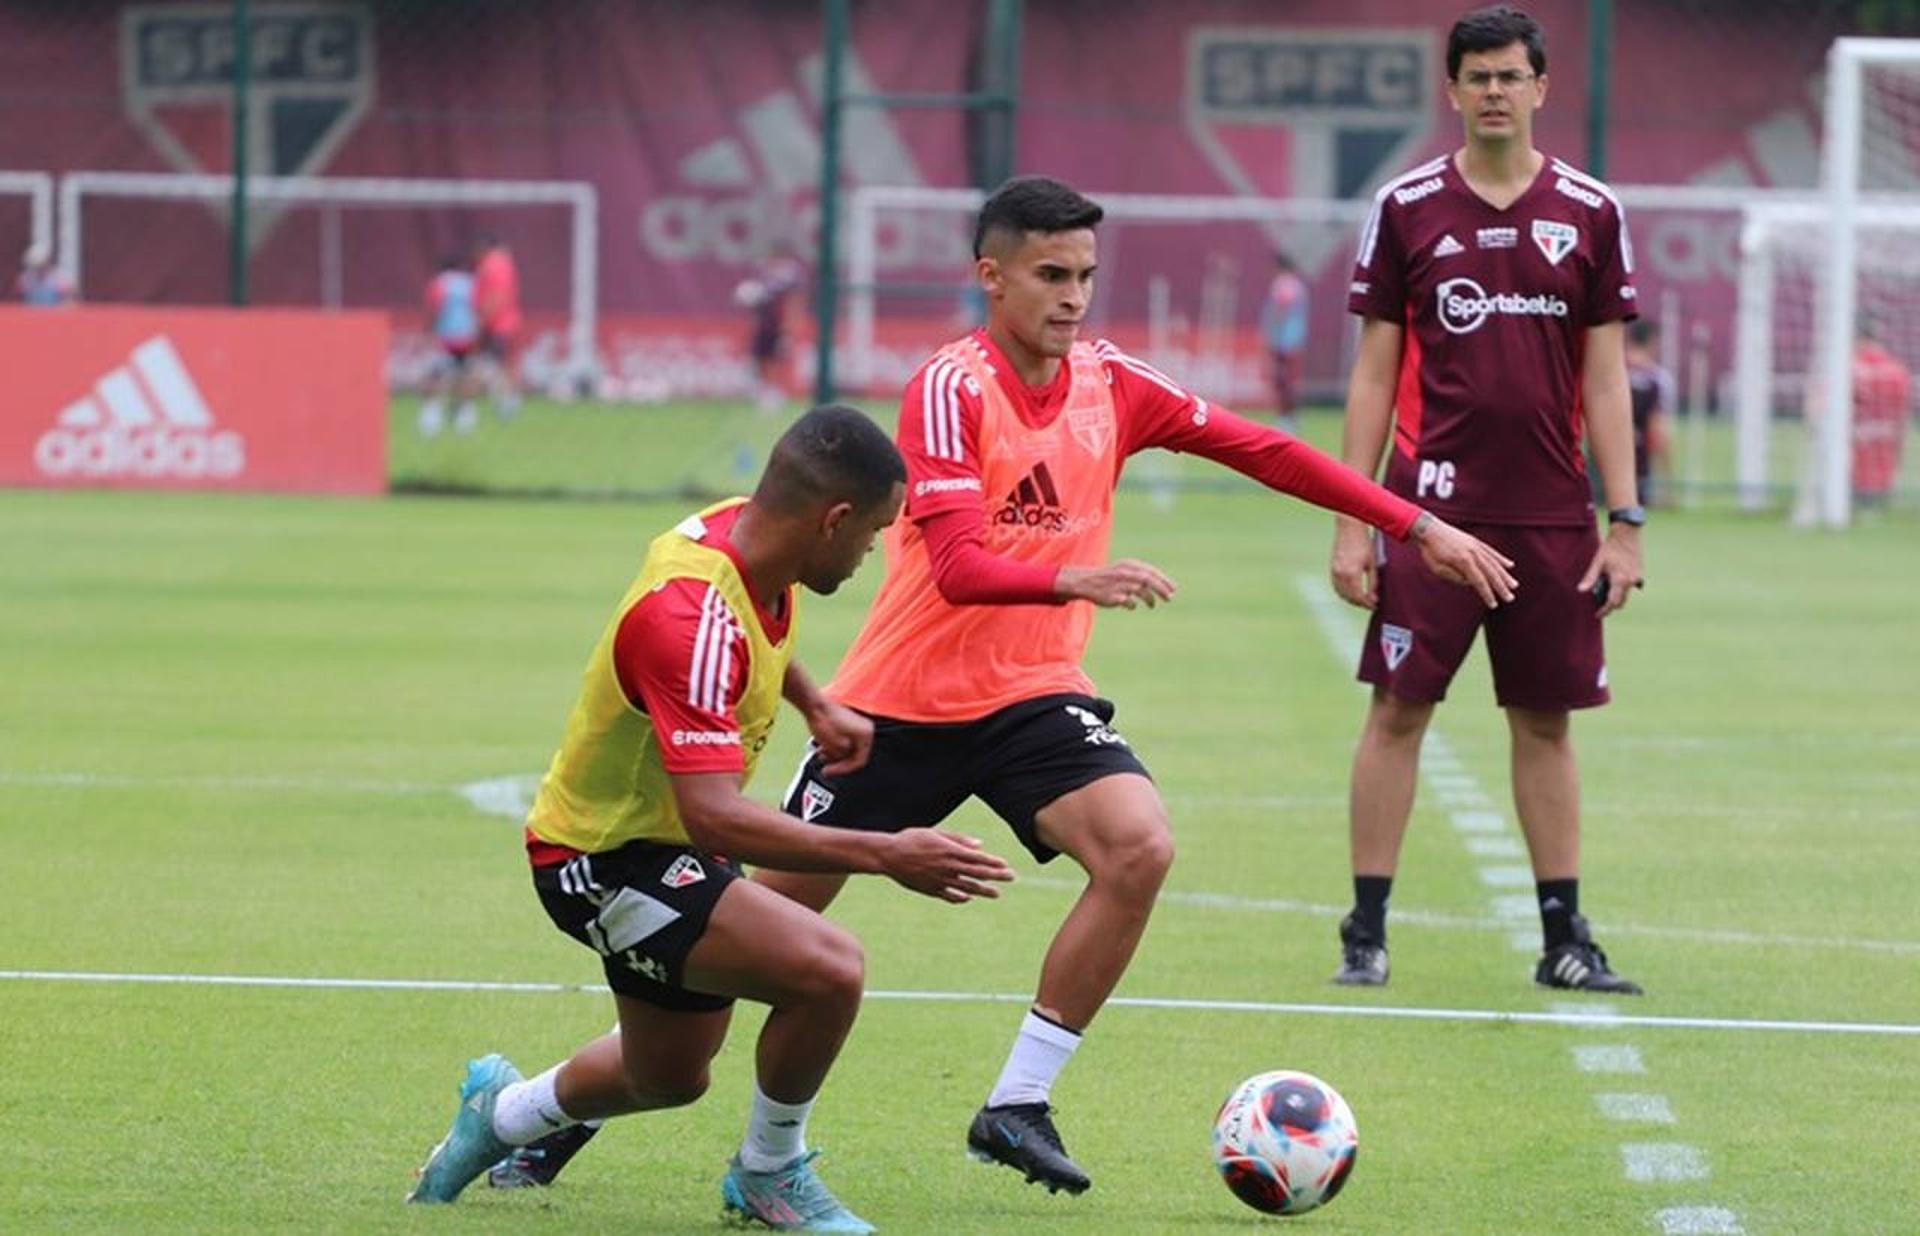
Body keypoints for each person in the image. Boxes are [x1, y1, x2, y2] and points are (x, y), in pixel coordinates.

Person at [497, 175, 1515, 1199]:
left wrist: (1415, 524)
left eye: (1085, 277)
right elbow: (957, 566)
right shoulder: (949, 387)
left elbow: (1262, 446)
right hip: (891, 712)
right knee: (725, 972)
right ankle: (558, 1114)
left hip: (1033, 696)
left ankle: (1013, 1102)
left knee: (1139, 846)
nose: (1073, 298)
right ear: (992, 277)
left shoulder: (1111, 383)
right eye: (1051, 275)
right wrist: (1074, 574)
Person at [405, 405, 1015, 1234]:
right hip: (603, 862)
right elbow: (718, 815)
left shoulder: (748, 535)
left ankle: (501, 1113)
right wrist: (887, 852)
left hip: (663, 846)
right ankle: (770, 1174)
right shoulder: (686, 618)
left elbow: (750, 629)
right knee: (830, 969)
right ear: (832, 520)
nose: (874, 552)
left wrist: (813, 701)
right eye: (873, 534)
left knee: (670, 1075)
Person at [1327, 4, 1646, 996]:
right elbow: (1374, 379)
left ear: (1541, 88)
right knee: (1398, 709)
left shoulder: (1591, 211)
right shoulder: (1408, 205)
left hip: (1554, 519)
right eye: (1480, 76)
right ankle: (1365, 933)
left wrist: (1624, 522)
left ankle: (1564, 936)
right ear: (1454, 90)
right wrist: (1356, 520)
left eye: (1513, 75)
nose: (1497, 91)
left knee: (1546, 722)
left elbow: (1606, 382)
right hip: (1428, 516)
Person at [418, 254, 482, 438]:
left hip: (445, 336)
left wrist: (428, 328)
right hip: (468, 335)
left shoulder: (439, 283)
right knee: (465, 374)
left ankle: (431, 416)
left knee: (435, 375)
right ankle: (465, 417)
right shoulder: (470, 283)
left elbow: (435, 308)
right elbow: (477, 307)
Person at [1850, 319, 1912, 508]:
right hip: (1883, 466)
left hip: (1849, 468)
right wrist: (1899, 456)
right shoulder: (1897, 370)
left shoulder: (1845, 367)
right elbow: (1902, 422)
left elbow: (1817, 412)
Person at [736, 254, 805, 413]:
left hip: (777, 327)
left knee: (774, 359)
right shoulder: (764, 281)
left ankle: (773, 393)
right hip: (764, 327)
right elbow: (757, 305)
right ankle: (764, 390)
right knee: (760, 357)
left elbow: (793, 305)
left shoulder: (788, 283)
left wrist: (787, 330)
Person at [1623, 319, 1674, 506]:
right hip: (1638, 462)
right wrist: (1668, 486)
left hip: (1599, 461)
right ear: (1653, 341)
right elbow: (1658, 430)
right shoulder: (1657, 378)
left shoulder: (1611, 370)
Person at [473, 233, 523, 417]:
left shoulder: (492, 265)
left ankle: (506, 404)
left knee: (487, 364)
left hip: (498, 324)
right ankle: (508, 402)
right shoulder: (504, 263)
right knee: (501, 364)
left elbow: (496, 296)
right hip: (505, 322)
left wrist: (481, 320)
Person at [1260, 251, 1310, 430]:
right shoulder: (1297, 285)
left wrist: (1273, 336)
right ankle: (1291, 418)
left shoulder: (1284, 284)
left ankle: (1286, 420)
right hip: (1293, 340)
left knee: (1283, 381)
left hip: (1284, 341)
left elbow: (1281, 310)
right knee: (1289, 382)